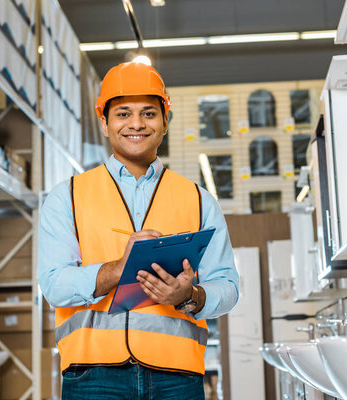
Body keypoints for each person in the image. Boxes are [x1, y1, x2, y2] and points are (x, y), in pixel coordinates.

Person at [37, 61, 239, 400]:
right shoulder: (66, 197)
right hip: (93, 376)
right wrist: (119, 268)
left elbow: (228, 285)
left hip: (177, 376)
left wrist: (190, 296)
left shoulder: (199, 200)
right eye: (123, 114)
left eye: (148, 113)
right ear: (104, 123)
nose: (136, 124)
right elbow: (54, 286)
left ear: (164, 123)